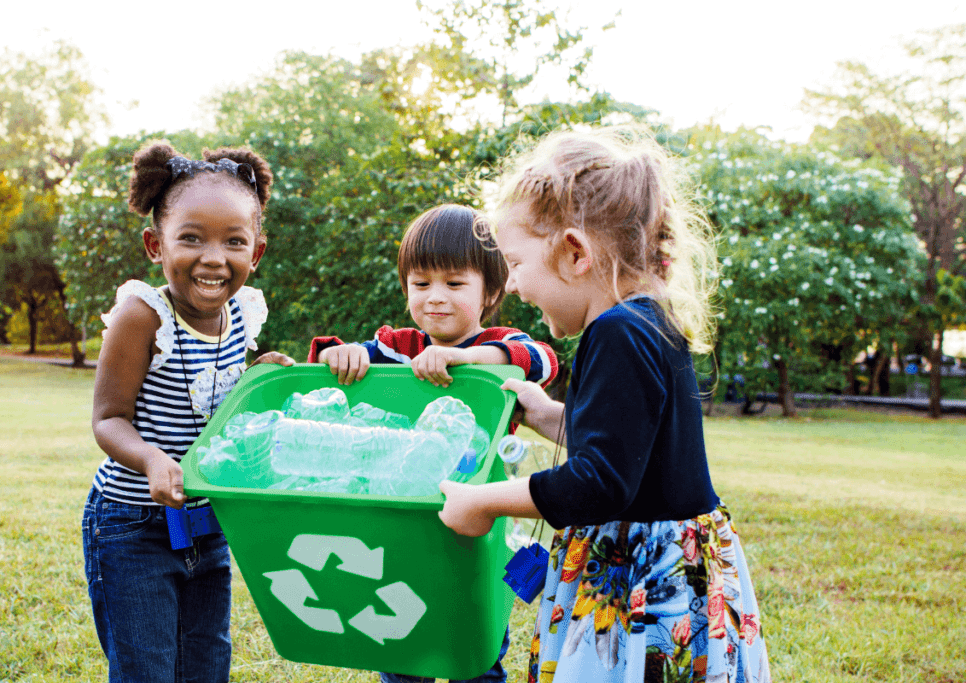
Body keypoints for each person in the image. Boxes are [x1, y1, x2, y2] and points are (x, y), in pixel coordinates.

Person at [437, 129, 772, 683]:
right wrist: (546, 412)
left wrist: (484, 501)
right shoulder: (649, 320)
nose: (514, 286)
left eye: (516, 264)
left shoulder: (615, 333)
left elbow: (600, 482)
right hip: (676, 567)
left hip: (642, 587)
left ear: (574, 253)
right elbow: (628, 447)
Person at [308, 203, 558, 683]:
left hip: (477, 518)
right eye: (421, 284)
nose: (435, 298)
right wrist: (343, 354)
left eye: (454, 283)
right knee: (401, 636)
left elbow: (540, 359)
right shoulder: (399, 347)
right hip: (402, 512)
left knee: (474, 644)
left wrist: (466, 357)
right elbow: (348, 359)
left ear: (490, 292)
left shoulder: (500, 341)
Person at [83, 142, 294, 682]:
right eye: (191, 238)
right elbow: (108, 419)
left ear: (258, 253)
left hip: (209, 523)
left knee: (206, 664)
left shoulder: (243, 313)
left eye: (234, 242)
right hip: (135, 526)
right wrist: (152, 461)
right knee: (148, 669)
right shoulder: (142, 316)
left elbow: (216, 406)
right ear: (157, 244)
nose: (213, 257)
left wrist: (260, 380)